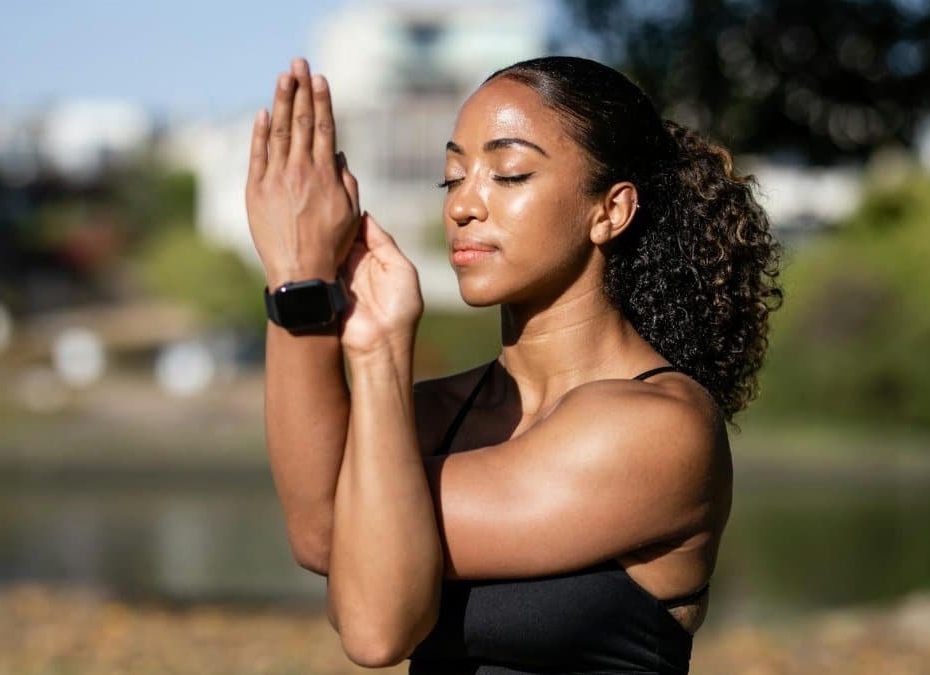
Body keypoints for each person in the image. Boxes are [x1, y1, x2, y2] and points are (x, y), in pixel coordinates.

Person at [247, 54, 782, 674]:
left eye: (508, 174)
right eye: (453, 177)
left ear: (610, 211)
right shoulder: (437, 414)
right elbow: (321, 532)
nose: (462, 206)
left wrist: (379, 351)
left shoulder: (659, 427)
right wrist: (298, 275)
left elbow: (376, 629)